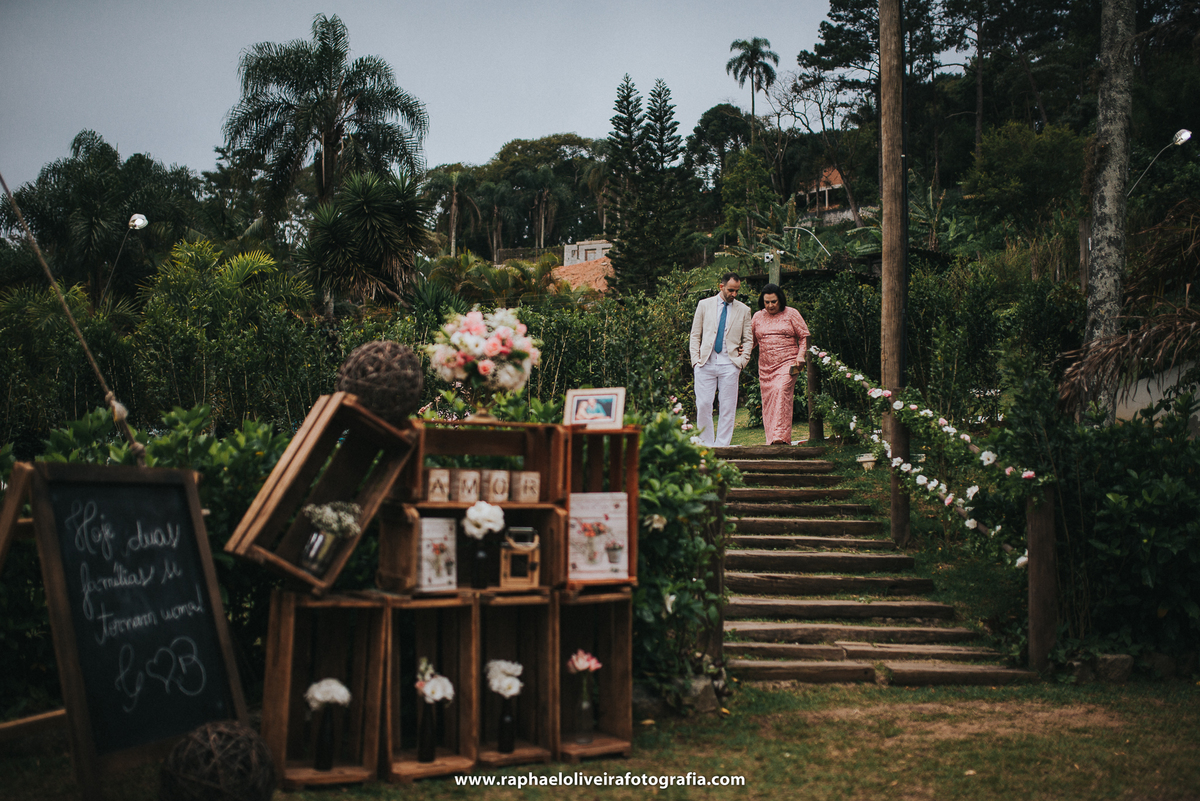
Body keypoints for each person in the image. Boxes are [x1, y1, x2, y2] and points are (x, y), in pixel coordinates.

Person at [689, 272, 753, 446]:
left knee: (727, 407)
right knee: (703, 405)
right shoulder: (704, 305)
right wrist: (695, 361)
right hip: (705, 363)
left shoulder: (744, 310)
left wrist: (742, 362)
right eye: (731, 290)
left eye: (736, 291)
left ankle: (722, 446)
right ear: (721, 287)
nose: (734, 294)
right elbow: (695, 335)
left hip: (730, 364)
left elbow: (748, 339)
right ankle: (706, 445)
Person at [751, 283, 810, 445]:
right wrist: (740, 352)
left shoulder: (791, 314)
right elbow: (751, 341)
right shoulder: (757, 317)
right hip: (766, 368)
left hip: (788, 363)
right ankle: (771, 440)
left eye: (774, 302)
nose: (770, 305)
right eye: (767, 302)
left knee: (782, 391)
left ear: (780, 300)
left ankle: (781, 438)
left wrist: (801, 355)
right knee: (769, 402)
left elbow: (804, 336)